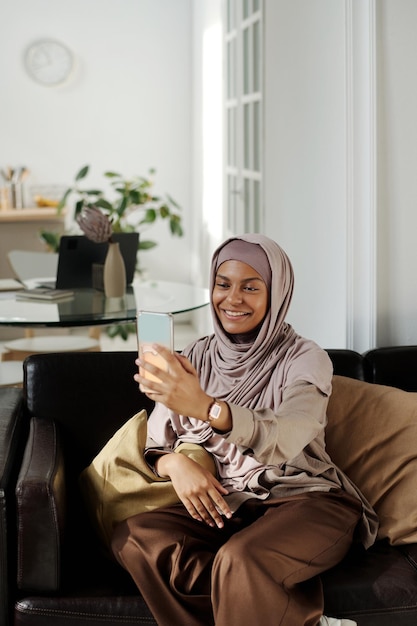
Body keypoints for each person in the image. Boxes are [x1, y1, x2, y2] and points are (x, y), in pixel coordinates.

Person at [111, 234, 378, 626]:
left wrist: (206, 407)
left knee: (240, 559)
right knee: (135, 538)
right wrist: (175, 466)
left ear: (277, 293)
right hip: (229, 504)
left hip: (307, 500)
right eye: (223, 284)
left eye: (250, 287)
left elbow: (287, 435)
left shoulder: (305, 358)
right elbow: (156, 438)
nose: (232, 299)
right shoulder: (198, 354)